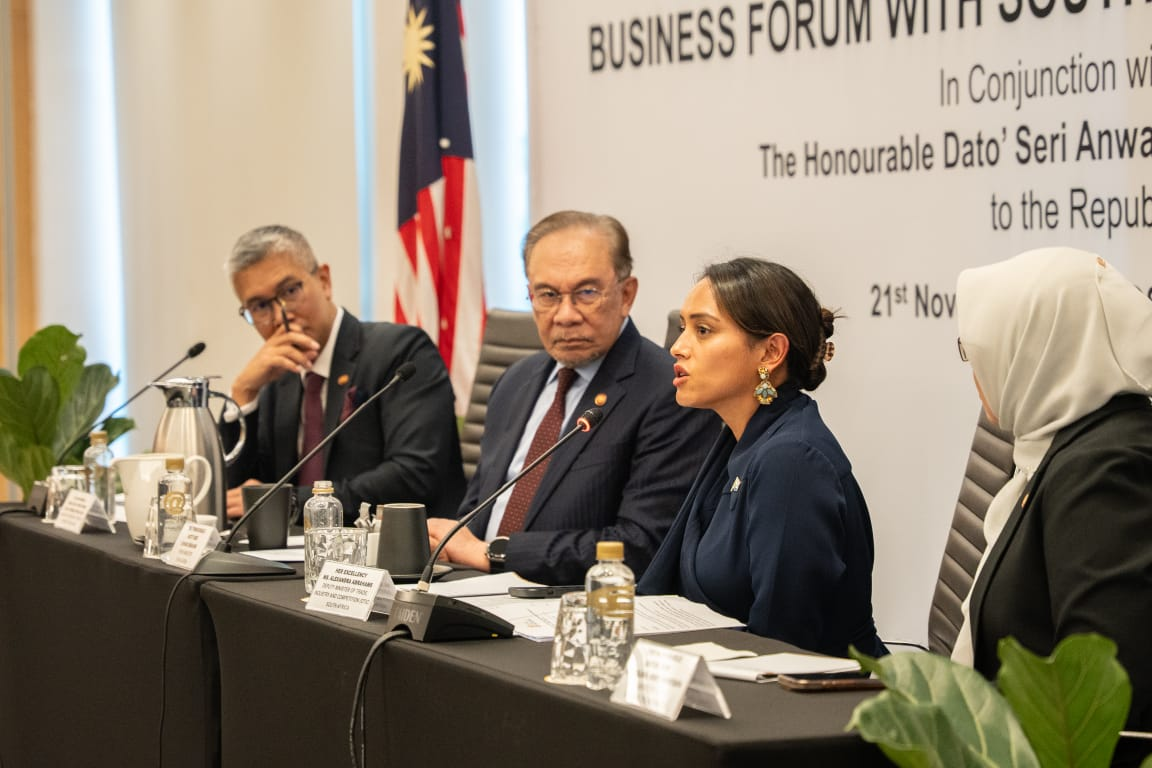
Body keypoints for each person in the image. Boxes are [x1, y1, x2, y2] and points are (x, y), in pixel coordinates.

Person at [426, 211, 718, 585]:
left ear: (626, 295)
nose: (565, 315)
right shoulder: (514, 381)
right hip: (471, 586)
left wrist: (495, 554)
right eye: (548, 295)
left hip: (572, 600)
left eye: (586, 293)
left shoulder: (671, 391)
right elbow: (477, 509)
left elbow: (642, 545)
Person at [951, 247, 1152, 763]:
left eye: (976, 349)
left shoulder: (1105, 470)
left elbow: (1102, 702)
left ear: (1035, 349)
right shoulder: (1056, 449)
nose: (975, 369)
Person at [638, 257, 887, 658]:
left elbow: (783, 646)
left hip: (816, 692)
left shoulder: (791, 462)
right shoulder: (740, 438)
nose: (677, 347)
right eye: (684, 328)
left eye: (703, 330)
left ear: (770, 352)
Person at [220, 224, 465, 523]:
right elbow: (237, 498)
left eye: (290, 291)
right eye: (260, 306)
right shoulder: (277, 377)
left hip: (394, 545)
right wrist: (243, 394)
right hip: (297, 549)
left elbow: (413, 476)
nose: (280, 317)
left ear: (324, 281)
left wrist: (294, 504)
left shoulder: (402, 353)